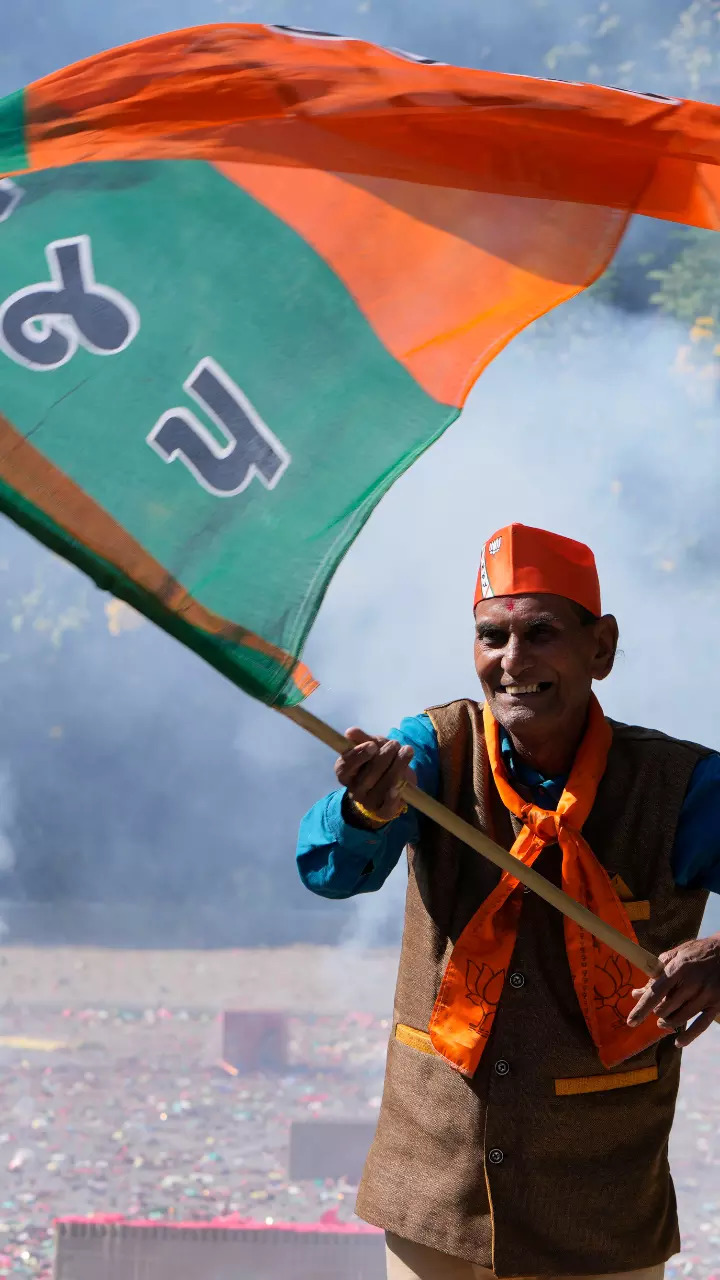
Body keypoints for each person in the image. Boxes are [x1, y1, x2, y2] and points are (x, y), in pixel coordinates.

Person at [296, 523, 720, 1280]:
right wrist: (364, 812)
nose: (513, 662)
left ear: (603, 649)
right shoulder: (429, 750)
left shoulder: (681, 786)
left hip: (601, 1206)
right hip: (434, 1196)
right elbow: (330, 870)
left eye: (541, 633)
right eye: (492, 637)